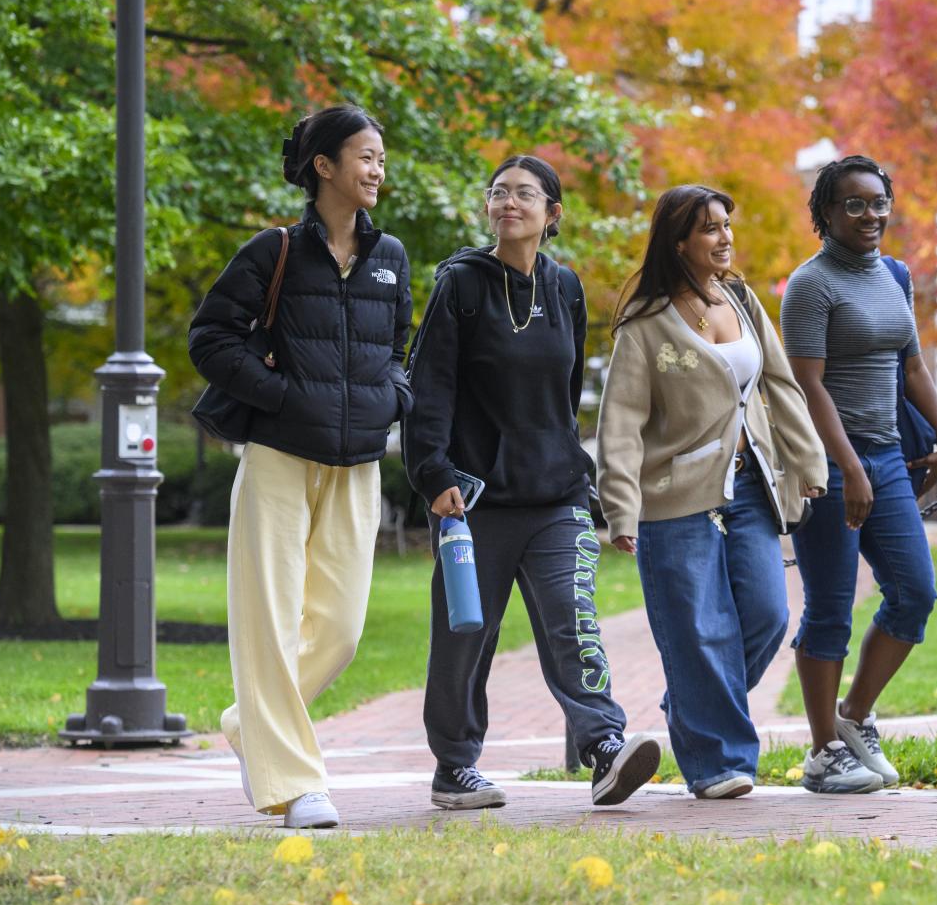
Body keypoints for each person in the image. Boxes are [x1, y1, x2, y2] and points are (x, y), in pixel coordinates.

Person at [402, 154, 660, 811]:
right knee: (467, 636)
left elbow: (564, 394)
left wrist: (574, 466)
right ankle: (454, 765)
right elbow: (429, 388)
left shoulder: (566, 287)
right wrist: (432, 474)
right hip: (472, 500)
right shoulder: (459, 284)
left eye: (524, 194)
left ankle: (604, 745)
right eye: (497, 192)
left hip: (557, 497)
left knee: (575, 622)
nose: (508, 202)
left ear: (552, 213)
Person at [188, 104, 413, 828]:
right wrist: (283, 397)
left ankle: (249, 722)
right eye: (365, 156)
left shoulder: (391, 258)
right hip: (281, 458)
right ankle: (297, 786)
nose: (377, 170)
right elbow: (212, 338)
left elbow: (400, 353)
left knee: (340, 629)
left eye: (381, 158)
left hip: (357, 462)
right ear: (324, 166)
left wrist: (389, 400)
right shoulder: (274, 249)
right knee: (270, 620)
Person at [596, 185, 826, 799]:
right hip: (674, 495)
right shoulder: (644, 327)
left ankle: (689, 707)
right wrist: (621, 507)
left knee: (767, 615)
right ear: (679, 242)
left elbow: (780, 383)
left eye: (727, 225)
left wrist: (808, 461)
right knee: (698, 628)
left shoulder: (743, 299)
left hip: (751, 484)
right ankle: (718, 764)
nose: (725, 237)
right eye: (710, 229)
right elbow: (619, 424)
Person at [780, 155, 937, 794]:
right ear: (825, 213)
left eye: (878, 202)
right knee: (829, 607)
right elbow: (807, 383)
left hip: (887, 456)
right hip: (831, 464)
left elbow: (911, 365)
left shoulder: (895, 275)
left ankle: (854, 715)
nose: (871, 215)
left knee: (915, 592)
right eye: (854, 204)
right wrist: (848, 469)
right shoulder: (810, 284)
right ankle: (823, 749)